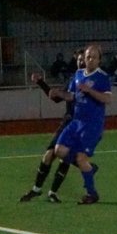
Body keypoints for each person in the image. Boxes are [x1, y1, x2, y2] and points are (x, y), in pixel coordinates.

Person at [19, 54, 84, 203]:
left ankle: (52, 193)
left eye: (83, 59)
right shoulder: (73, 80)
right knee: (49, 155)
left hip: (79, 125)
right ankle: (36, 189)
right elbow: (56, 98)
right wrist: (41, 82)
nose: (81, 62)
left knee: (64, 158)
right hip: (67, 123)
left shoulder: (90, 81)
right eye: (79, 59)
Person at [53, 44, 112, 204]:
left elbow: (108, 99)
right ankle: (89, 168)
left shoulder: (102, 77)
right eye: (88, 57)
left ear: (99, 60)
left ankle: (92, 193)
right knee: (59, 150)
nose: (90, 59)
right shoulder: (78, 74)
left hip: (92, 125)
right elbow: (71, 96)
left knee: (80, 158)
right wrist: (59, 94)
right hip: (76, 122)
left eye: (94, 57)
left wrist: (90, 91)